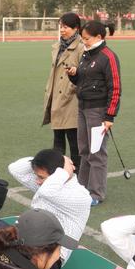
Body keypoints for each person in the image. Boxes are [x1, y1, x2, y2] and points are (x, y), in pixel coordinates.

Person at [8, 148, 91, 269]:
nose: (37, 181)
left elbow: (47, 192)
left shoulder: (80, 196)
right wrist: (56, 160)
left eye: (41, 177)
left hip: (50, 257)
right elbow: (15, 168)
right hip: (28, 241)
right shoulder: (46, 184)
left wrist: (64, 171)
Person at [67, 21, 121, 206]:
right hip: (83, 107)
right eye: (82, 38)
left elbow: (115, 88)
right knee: (84, 150)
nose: (84, 42)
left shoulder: (108, 57)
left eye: (87, 39)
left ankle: (96, 193)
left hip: (98, 111)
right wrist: (74, 74)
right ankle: (82, 188)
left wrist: (109, 116)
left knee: (97, 153)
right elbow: (83, 80)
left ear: (99, 37)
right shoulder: (86, 54)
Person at [42, 12, 84, 172]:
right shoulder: (58, 46)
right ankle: (58, 173)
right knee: (58, 139)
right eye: (61, 26)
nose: (62, 30)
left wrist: (75, 73)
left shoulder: (81, 47)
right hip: (56, 97)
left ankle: (77, 174)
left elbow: (85, 72)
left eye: (66, 27)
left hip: (72, 99)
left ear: (76, 28)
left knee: (74, 141)